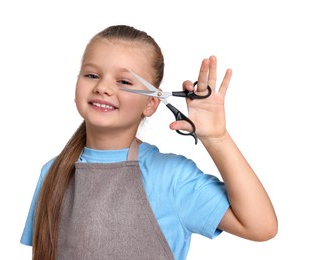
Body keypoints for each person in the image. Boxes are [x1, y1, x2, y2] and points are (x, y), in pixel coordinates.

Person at [20, 25, 278, 260]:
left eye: (123, 81)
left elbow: (260, 227)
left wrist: (217, 138)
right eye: (91, 75)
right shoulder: (52, 173)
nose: (103, 87)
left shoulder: (172, 178)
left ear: (151, 103)